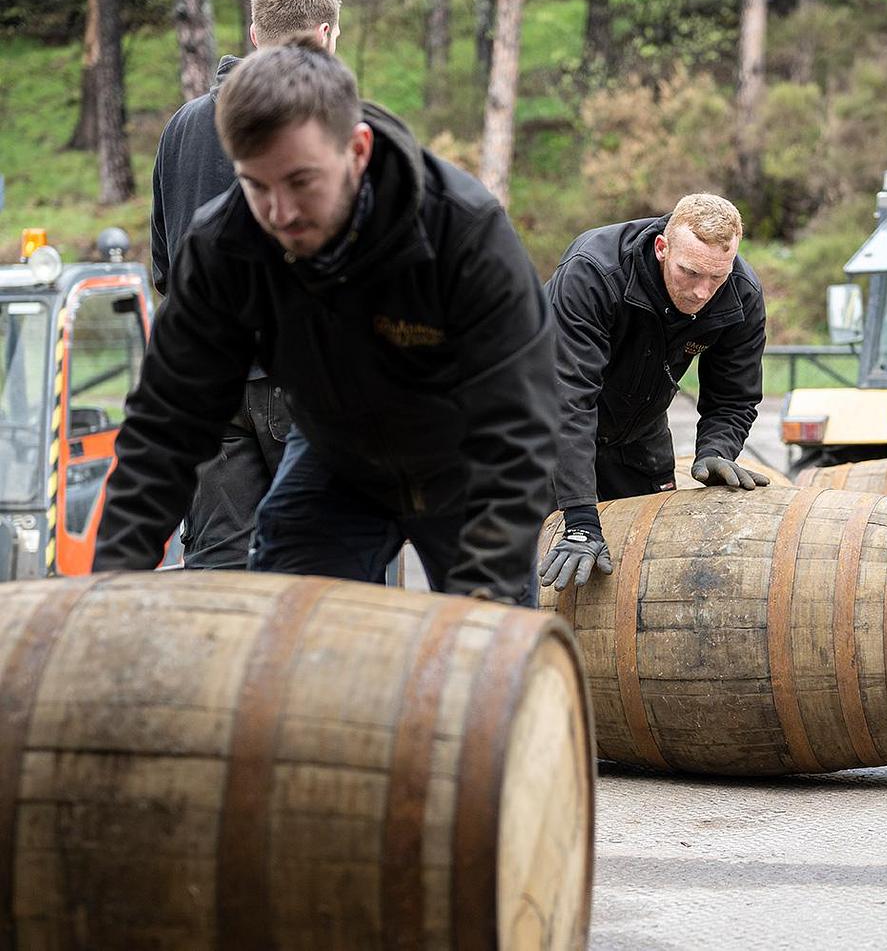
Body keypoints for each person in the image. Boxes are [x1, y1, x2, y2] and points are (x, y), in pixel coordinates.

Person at [95, 36, 555, 604]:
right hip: (339, 456)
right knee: (287, 628)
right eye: (256, 185)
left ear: (357, 151)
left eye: (300, 182)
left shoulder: (462, 231)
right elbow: (166, 424)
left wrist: (486, 588)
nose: (279, 213)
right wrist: (110, 585)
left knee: (493, 641)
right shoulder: (224, 245)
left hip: (467, 464)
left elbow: (522, 423)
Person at [149, 0, 343, 569]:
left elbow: (163, 265)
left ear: (256, 34)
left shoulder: (181, 129)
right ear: (327, 34)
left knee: (220, 574)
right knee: (330, 568)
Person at [539, 194, 769, 590]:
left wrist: (716, 450)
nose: (702, 292)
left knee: (642, 580)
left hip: (637, 435)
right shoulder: (594, 271)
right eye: (691, 273)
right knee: (526, 570)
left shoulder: (741, 294)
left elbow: (734, 397)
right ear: (663, 248)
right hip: (540, 426)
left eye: (717, 277)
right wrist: (579, 522)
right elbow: (569, 401)